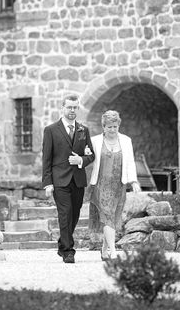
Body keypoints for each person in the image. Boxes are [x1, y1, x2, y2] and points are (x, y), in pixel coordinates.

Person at [42, 94, 95, 264]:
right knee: (65, 214)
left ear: (77, 109)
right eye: (69, 107)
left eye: (75, 107)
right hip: (59, 180)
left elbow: (91, 154)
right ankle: (68, 251)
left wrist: (81, 160)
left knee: (75, 213)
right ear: (62, 108)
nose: (72, 111)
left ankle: (62, 243)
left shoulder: (83, 130)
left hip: (78, 180)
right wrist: (48, 183)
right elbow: (46, 159)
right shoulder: (51, 130)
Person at [88, 110, 141, 260]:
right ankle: (113, 251)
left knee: (112, 218)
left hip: (119, 185)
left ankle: (104, 250)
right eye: (109, 127)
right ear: (103, 127)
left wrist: (134, 181)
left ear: (118, 126)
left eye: (115, 126)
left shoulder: (126, 140)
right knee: (107, 215)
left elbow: (130, 161)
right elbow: (89, 161)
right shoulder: (95, 141)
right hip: (101, 185)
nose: (112, 129)